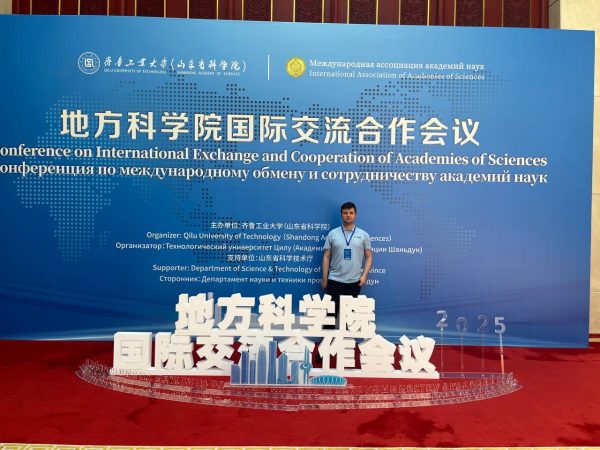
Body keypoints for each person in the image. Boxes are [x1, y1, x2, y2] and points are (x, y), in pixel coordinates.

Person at [321, 201, 373, 326]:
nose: (348, 215)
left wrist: (364, 276)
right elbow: (326, 257)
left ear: (355, 215)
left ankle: (346, 338)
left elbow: (369, 256)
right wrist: (324, 279)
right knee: (330, 315)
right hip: (335, 280)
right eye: (345, 213)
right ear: (341, 215)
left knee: (349, 319)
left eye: (351, 213)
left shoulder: (363, 235)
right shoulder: (333, 234)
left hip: (354, 281)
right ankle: (326, 338)